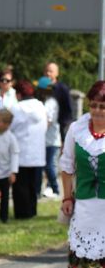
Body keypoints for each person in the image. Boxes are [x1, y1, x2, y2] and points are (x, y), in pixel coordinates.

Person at [59, 80, 105, 267]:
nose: (97, 111)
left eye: (102, 107)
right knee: (79, 256)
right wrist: (67, 198)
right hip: (84, 205)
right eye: (93, 105)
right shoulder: (77, 129)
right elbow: (67, 165)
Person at [9, 80, 47, 219]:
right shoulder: (41, 106)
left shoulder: (16, 108)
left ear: (19, 94)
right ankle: (32, 211)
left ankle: (21, 213)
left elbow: (10, 128)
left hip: (20, 152)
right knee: (33, 186)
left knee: (20, 186)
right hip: (37, 152)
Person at [37, 76, 61, 198]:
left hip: (51, 140)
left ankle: (56, 190)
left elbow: (48, 121)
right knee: (43, 166)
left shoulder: (51, 103)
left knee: (49, 166)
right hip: (45, 140)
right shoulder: (46, 101)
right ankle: (40, 190)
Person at [44, 62, 73, 140]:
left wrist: (64, 127)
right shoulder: (41, 87)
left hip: (58, 128)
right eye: (46, 71)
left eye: (50, 71)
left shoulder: (62, 88)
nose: (48, 73)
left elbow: (68, 108)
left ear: (57, 73)